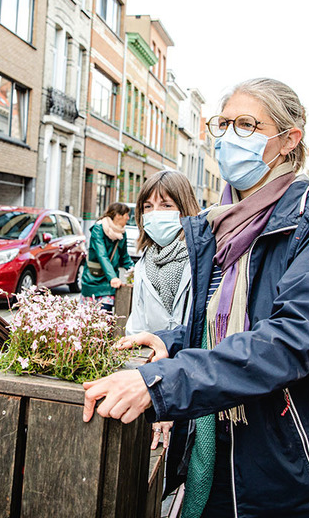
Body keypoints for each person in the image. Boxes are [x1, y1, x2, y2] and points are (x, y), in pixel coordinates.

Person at [82, 78, 309, 517]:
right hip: (220, 452)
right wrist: (173, 341)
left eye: (246, 124)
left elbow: (292, 339)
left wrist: (165, 382)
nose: (229, 137)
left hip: (301, 469)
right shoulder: (215, 226)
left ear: (288, 140)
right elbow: (218, 321)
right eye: (222, 124)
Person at [125, 169, 200, 452]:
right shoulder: (145, 262)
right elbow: (138, 326)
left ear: (184, 209)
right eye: (148, 207)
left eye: (166, 205)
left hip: (191, 380)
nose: (155, 213)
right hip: (155, 379)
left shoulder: (202, 257)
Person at [81, 202, 134, 312]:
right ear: (118, 216)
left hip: (109, 284)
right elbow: (102, 255)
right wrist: (113, 277)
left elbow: (124, 257)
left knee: (105, 318)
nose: (128, 218)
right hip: (94, 279)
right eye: (126, 215)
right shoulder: (98, 228)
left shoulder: (122, 233)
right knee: (89, 319)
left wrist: (135, 271)